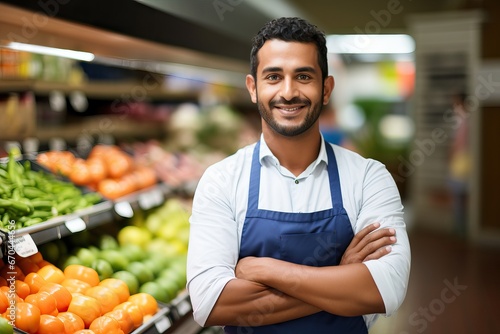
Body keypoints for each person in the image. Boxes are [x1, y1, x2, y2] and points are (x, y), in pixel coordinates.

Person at [186, 17, 411, 333]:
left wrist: (265, 269)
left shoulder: (369, 178)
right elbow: (211, 303)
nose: (288, 92)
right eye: (274, 76)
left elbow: (384, 289)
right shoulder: (221, 180)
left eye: (303, 76)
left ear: (326, 88)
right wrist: (341, 273)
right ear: (253, 88)